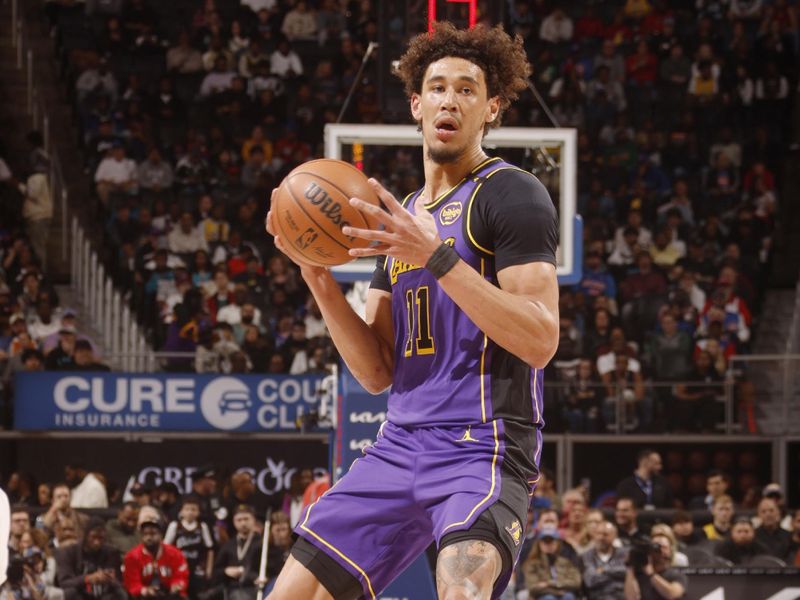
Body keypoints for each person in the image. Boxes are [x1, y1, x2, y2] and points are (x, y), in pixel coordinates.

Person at [265, 22, 560, 600]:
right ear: (416, 105)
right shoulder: (400, 216)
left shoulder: (512, 194)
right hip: (398, 443)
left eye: (468, 89)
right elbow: (376, 372)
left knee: (461, 591)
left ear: (491, 107)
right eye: (438, 87)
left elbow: (539, 339)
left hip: (483, 445)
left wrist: (439, 257)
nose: (451, 98)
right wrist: (317, 276)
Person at [54, 517, 125, 600]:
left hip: (103, 594)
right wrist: (88, 579)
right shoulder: (69, 552)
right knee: (70, 592)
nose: (97, 542)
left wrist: (111, 580)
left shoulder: (111, 553)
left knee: (120, 593)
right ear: (86, 535)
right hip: (80, 593)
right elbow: (64, 583)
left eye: (100, 538)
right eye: (93, 537)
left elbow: (119, 582)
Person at [163, 497, 214, 599]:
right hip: (178, 568)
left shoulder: (202, 526)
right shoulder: (175, 526)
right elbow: (165, 548)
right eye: (187, 509)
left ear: (198, 512)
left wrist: (209, 569)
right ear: (181, 512)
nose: (190, 512)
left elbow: (210, 549)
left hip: (197, 568)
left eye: (193, 509)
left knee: (198, 595)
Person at [123, 520, 188, 599]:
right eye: (145, 534)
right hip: (143, 596)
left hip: (169, 594)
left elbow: (181, 575)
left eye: (153, 534)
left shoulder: (175, 553)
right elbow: (132, 583)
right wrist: (145, 590)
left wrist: (176, 585)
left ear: (161, 535)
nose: (149, 537)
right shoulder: (132, 556)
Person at [212, 505, 261, 600]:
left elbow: (272, 568)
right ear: (234, 522)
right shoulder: (228, 545)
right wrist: (226, 571)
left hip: (256, 588)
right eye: (239, 520)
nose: (243, 523)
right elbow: (216, 572)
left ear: (254, 520)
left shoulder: (263, 543)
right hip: (233, 589)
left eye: (246, 519)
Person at [521, 527, 581, 600]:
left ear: (557, 543)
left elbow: (576, 582)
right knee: (549, 598)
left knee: (568, 597)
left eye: (551, 541)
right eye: (545, 542)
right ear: (539, 544)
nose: (548, 545)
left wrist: (550, 583)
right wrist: (556, 592)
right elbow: (533, 588)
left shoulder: (566, 562)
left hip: (565, 595)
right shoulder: (531, 564)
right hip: (541, 597)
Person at [623, 536, 688, 599]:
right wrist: (630, 566)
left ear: (670, 551)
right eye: (655, 546)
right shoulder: (639, 574)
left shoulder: (676, 575)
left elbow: (672, 594)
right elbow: (631, 598)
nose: (659, 550)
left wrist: (651, 574)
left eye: (664, 547)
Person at [580, 521, 627, 600]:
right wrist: (615, 576)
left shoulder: (623, 554)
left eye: (605, 534)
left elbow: (626, 572)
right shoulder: (586, 556)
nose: (601, 538)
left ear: (614, 536)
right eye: (598, 534)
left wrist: (604, 570)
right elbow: (590, 580)